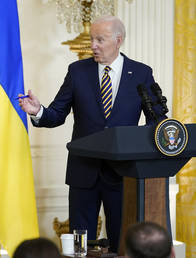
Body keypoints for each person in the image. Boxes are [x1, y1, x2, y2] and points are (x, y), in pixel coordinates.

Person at [18, 15, 164, 253]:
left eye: (100, 39)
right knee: (80, 246)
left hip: (123, 174)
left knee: (122, 242)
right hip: (83, 172)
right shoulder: (77, 71)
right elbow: (56, 114)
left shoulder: (141, 73)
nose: (93, 45)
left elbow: (156, 121)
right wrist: (38, 111)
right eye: (91, 39)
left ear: (118, 41)